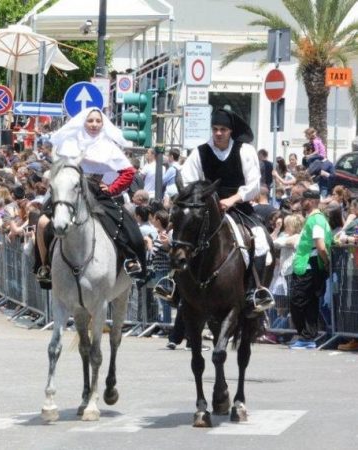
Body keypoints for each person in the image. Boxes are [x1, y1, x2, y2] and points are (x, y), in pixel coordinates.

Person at [155, 108, 274, 316]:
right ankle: (173, 284)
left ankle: (256, 291)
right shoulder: (200, 152)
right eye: (215, 129)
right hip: (206, 210)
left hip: (239, 208)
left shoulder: (244, 150)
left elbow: (254, 184)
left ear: (230, 131)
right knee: (178, 238)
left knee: (261, 239)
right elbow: (188, 182)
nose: (218, 133)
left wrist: (233, 199)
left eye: (223, 129)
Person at [34, 107, 147, 285]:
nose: (94, 124)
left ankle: (133, 260)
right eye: (90, 121)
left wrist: (111, 189)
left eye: (98, 121)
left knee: (126, 223)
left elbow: (128, 172)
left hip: (98, 193)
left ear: (103, 124)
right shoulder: (69, 144)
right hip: (69, 193)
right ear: (83, 122)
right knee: (41, 224)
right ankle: (44, 266)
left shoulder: (109, 146)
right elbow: (58, 169)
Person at [288, 188, 331, 349]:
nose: (301, 203)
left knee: (298, 301)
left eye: (304, 200)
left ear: (311, 201)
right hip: (308, 266)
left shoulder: (316, 220)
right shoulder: (315, 219)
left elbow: (320, 245)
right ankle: (308, 337)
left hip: (309, 267)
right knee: (309, 303)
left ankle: (306, 337)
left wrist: (326, 262)